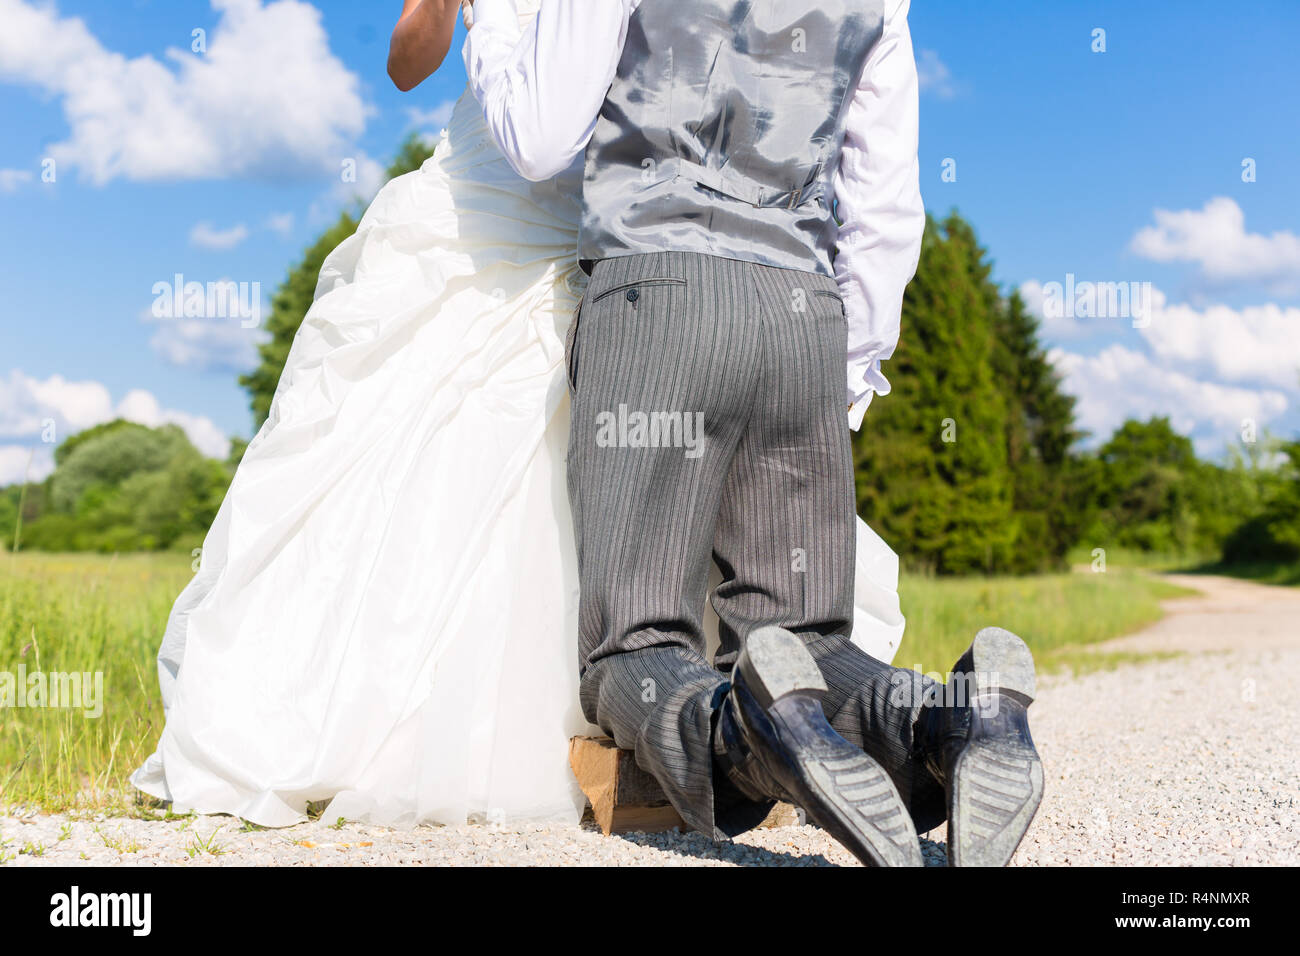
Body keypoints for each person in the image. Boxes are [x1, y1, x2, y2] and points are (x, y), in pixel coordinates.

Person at [131, 0, 908, 832]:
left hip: (623, 222)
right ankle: (780, 729)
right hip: (516, 210)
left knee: (633, 481)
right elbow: (406, 62)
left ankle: (692, 740)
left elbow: (558, 127)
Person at [465, 0, 1045, 866]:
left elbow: (541, 136)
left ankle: (746, 736)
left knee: (641, 640)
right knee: (807, 638)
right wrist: (847, 378)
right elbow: (886, 209)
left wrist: (490, 27)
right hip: (803, 313)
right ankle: (955, 717)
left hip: (655, 296)